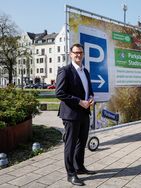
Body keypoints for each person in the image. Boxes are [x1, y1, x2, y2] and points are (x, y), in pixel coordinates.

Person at [56, 43, 96, 186]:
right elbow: (59, 93)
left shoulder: (85, 72)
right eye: (76, 53)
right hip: (71, 114)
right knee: (70, 145)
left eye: (81, 53)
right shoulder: (65, 71)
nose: (79, 55)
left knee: (82, 142)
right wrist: (79, 102)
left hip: (85, 113)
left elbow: (89, 90)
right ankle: (71, 174)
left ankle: (79, 167)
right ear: (70, 54)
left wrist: (91, 97)